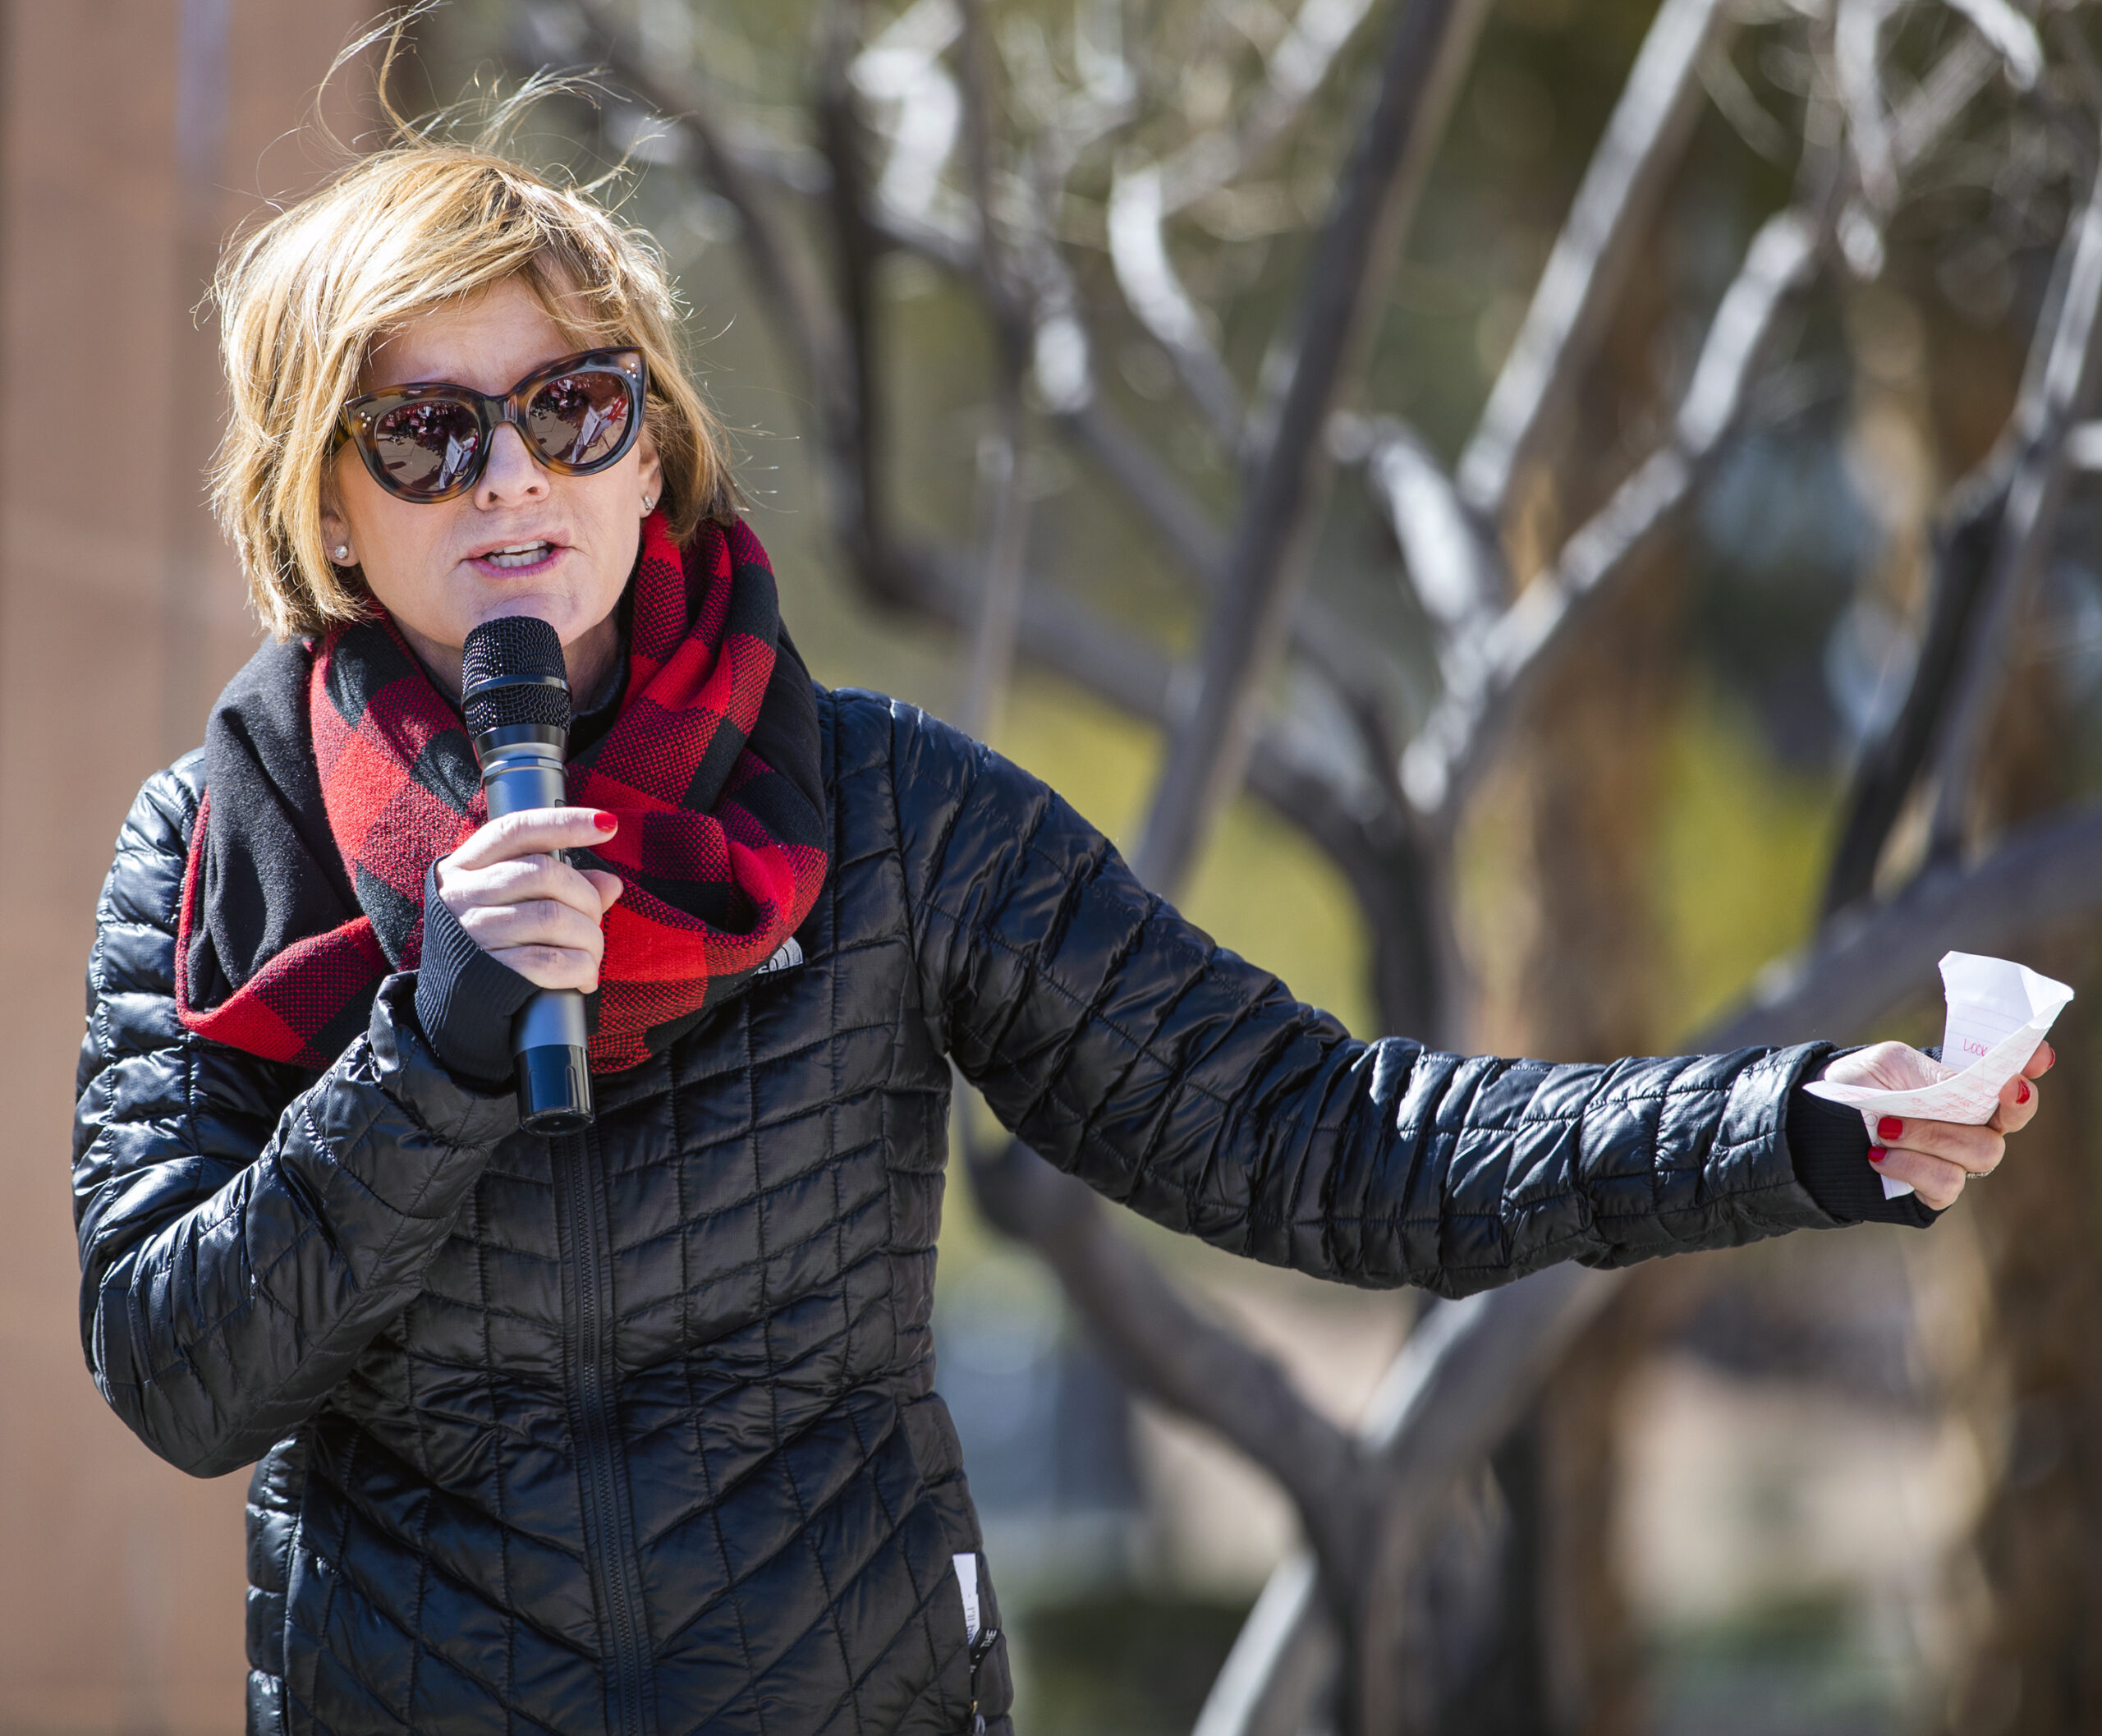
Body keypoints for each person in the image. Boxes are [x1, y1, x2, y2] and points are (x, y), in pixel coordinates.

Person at [71, 121, 2049, 1736]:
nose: (511, 476)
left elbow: (1319, 1136)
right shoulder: (218, 858)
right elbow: (179, 1373)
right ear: (324, 502)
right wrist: (428, 1054)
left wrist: (1775, 1125)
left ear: (651, 445)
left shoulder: (878, 810)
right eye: (427, 432)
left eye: (572, 408)